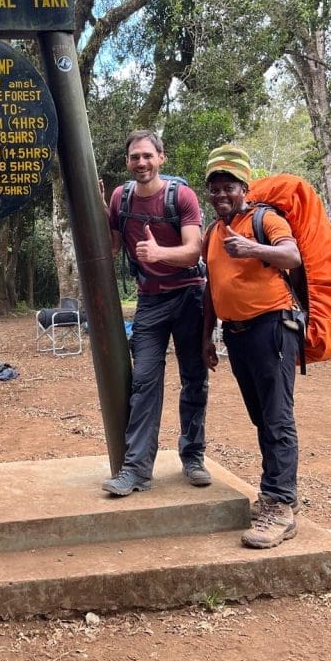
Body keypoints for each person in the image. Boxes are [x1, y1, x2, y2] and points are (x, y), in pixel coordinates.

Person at [201, 144, 301, 549]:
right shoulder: (212, 232)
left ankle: (280, 507)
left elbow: (291, 255)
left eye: (229, 186)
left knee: (277, 417)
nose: (221, 194)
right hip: (237, 334)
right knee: (262, 417)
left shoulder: (265, 219)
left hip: (274, 326)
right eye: (215, 188)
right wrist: (207, 335)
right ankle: (273, 494)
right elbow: (211, 288)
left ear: (244, 187)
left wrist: (253, 248)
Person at [101, 130, 210, 496]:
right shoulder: (121, 197)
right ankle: (136, 471)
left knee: (194, 378)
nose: (141, 163)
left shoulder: (182, 196)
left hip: (189, 297)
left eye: (148, 155)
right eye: (135, 157)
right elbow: (115, 245)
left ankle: (193, 458)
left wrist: (159, 253)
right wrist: (101, 216)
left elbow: (193, 251)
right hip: (150, 301)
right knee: (144, 379)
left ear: (161, 158)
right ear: (128, 162)